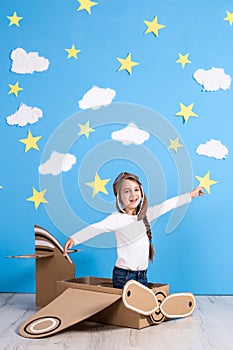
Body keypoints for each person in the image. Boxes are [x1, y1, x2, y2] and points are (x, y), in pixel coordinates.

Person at [63, 172, 204, 288]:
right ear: (119, 198)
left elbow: (168, 205)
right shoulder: (117, 219)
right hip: (123, 276)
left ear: (142, 193)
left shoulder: (146, 215)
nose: (132, 194)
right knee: (126, 310)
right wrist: (74, 239)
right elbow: (95, 228)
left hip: (142, 275)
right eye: (126, 191)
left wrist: (190, 195)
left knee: (140, 310)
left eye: (136, 190)